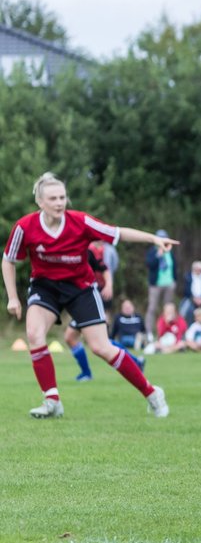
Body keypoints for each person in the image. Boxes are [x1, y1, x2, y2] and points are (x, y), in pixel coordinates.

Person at [2, 172, 172, 419]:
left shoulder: (80, 221)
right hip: (45, 288)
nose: (60, 202)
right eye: (53, 198)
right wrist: (13, 297)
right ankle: (52, 401)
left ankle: (152, 392)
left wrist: (153, 238)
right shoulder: (25, 226)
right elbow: (8, 261)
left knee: (101, 348)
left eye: (62, 197)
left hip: (80, 288)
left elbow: (117, 233)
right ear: (40, 202)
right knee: (34, 334)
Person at [67, 242, 114, 381]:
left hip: (87, 299)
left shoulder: (88, 251)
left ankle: (135, 361)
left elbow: (105, 269)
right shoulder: (63, 250)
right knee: (71, 337)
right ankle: (86, 373)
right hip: (78, 300)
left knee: (99, 343)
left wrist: (109, 286)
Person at [143, 229, 178, 341]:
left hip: (169, 283)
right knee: (152, 308)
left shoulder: (170, 252)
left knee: (169, 309)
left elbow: (174, 267)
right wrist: (159, 254)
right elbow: (150, 265)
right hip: (155, 285)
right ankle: (149, 332)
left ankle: (167, 331)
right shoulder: (153, 251)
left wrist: (174, 281)